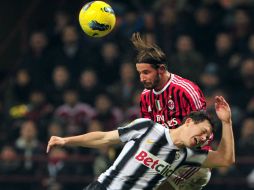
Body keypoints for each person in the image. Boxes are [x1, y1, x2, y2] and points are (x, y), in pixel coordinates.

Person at [47, 96, 235, 190]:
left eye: (206, 137)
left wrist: (227, 122)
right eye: (203, 131)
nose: (203, 138)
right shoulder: (147, 128)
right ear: (188, 122)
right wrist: (66, 140)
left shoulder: (188, 155)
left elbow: (226, 159)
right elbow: (104, 138)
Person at [131, 32, 211, 189]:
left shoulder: (186, 90)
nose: (141, 78)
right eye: (139, 73)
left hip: (193, 161)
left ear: (160, 69)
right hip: (165, 159)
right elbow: (150, 134)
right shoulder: (146, 96)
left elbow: (205, 132)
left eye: (146, 72)